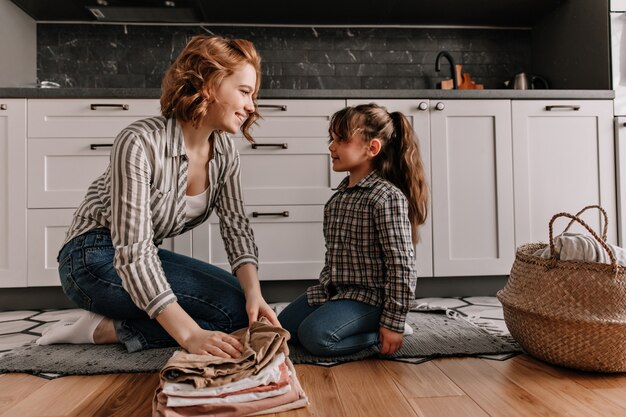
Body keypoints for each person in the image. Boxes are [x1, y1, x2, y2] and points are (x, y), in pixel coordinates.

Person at [36, 35, 279, 358]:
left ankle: (118, 323)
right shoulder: (139, 142)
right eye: (245, 92)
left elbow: (236, 228)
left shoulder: (225, 153)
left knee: (238, 309)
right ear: (208, 84)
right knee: (215, 318)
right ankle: (98, 330)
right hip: (91, 259)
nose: (251, 107)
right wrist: (190, 335)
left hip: (142, 256)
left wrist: (254, 293)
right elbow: (133, 251)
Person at [277, 103, 428, 357]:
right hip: (335, 291)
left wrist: (393, 323)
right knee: (284, 327)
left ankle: (384, 330)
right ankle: (345, 320)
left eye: (342, 140)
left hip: (370, 299)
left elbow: (402, 265)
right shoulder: (340, 198)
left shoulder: (386, 197)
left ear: (372, 148)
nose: (331, 146)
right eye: (332, 139)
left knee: (315, 337)